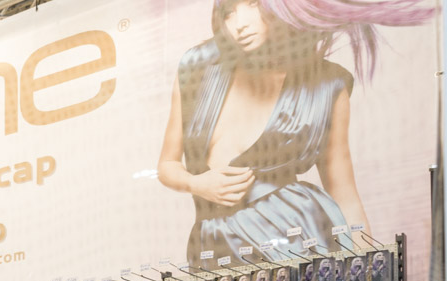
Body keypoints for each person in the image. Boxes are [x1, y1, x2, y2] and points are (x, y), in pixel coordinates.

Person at [157, 0, 432, 266]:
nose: (239, 24)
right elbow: (167, 164)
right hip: (214, 245)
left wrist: (373, 274)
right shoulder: (198, 67)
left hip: (295, 241)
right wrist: (197, 184)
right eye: (229, 11)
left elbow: (344, 192)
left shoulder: (326, 85)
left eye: (253, 3)